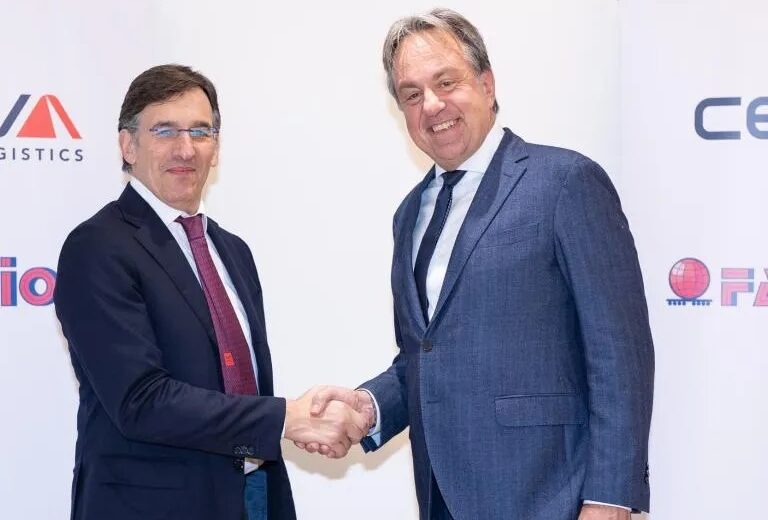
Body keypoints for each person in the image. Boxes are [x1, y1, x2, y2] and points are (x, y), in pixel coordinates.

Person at [305, 9, 654, 520]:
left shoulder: (565, 183)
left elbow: (619, 353)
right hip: (441, 497)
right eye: (411, 94)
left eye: (446, 82)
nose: (432, 105)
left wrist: (610, 497)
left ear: (487, 84)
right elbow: (425, 356)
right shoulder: (410, 214)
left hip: (550, 498)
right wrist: (370, 407)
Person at [54, 64, 369, 520]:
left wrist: (297, 421)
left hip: (254, 494)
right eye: (165, 130)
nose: (185, 148)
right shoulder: (98, 247)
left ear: (216, 148)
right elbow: (141, 401)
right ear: (128, 145)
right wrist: (287, 418)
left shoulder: (232, 250)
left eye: (200, 132)